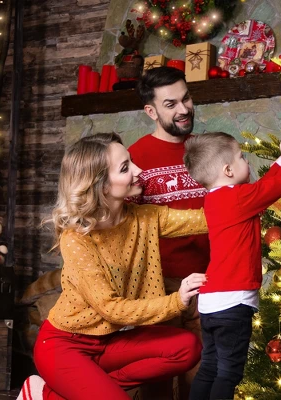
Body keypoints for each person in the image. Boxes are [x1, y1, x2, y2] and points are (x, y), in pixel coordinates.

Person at [16, 132, 208, 400]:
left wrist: (250, 196)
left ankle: (56, 394)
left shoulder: (145, 217)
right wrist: (177, 300)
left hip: (107, 344)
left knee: (187, 346)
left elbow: (204, 219)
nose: (139, 171)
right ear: (102, 185)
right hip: (63, 346)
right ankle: (51, 393)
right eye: (125, 167)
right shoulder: (76, 238)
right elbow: (111, 308)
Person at [183, 132, 281, 400]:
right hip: (232, 301)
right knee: (228, 373)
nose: (246, 162)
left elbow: (264, 187)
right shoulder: (237, 198)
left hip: (211, 302)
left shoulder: (217, 199)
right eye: (241, 157)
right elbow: (277, 186)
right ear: (228, 170)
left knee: (210, 368)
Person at [129, 66, 210, 396]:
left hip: (209, 280)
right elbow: (128, 229)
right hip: (158, 287)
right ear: (151, 111)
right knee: (158, 383)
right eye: (170, 104)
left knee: (203, 377)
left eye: (186, 98)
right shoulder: (135, 159)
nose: (184, 109)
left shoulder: (205, 149)